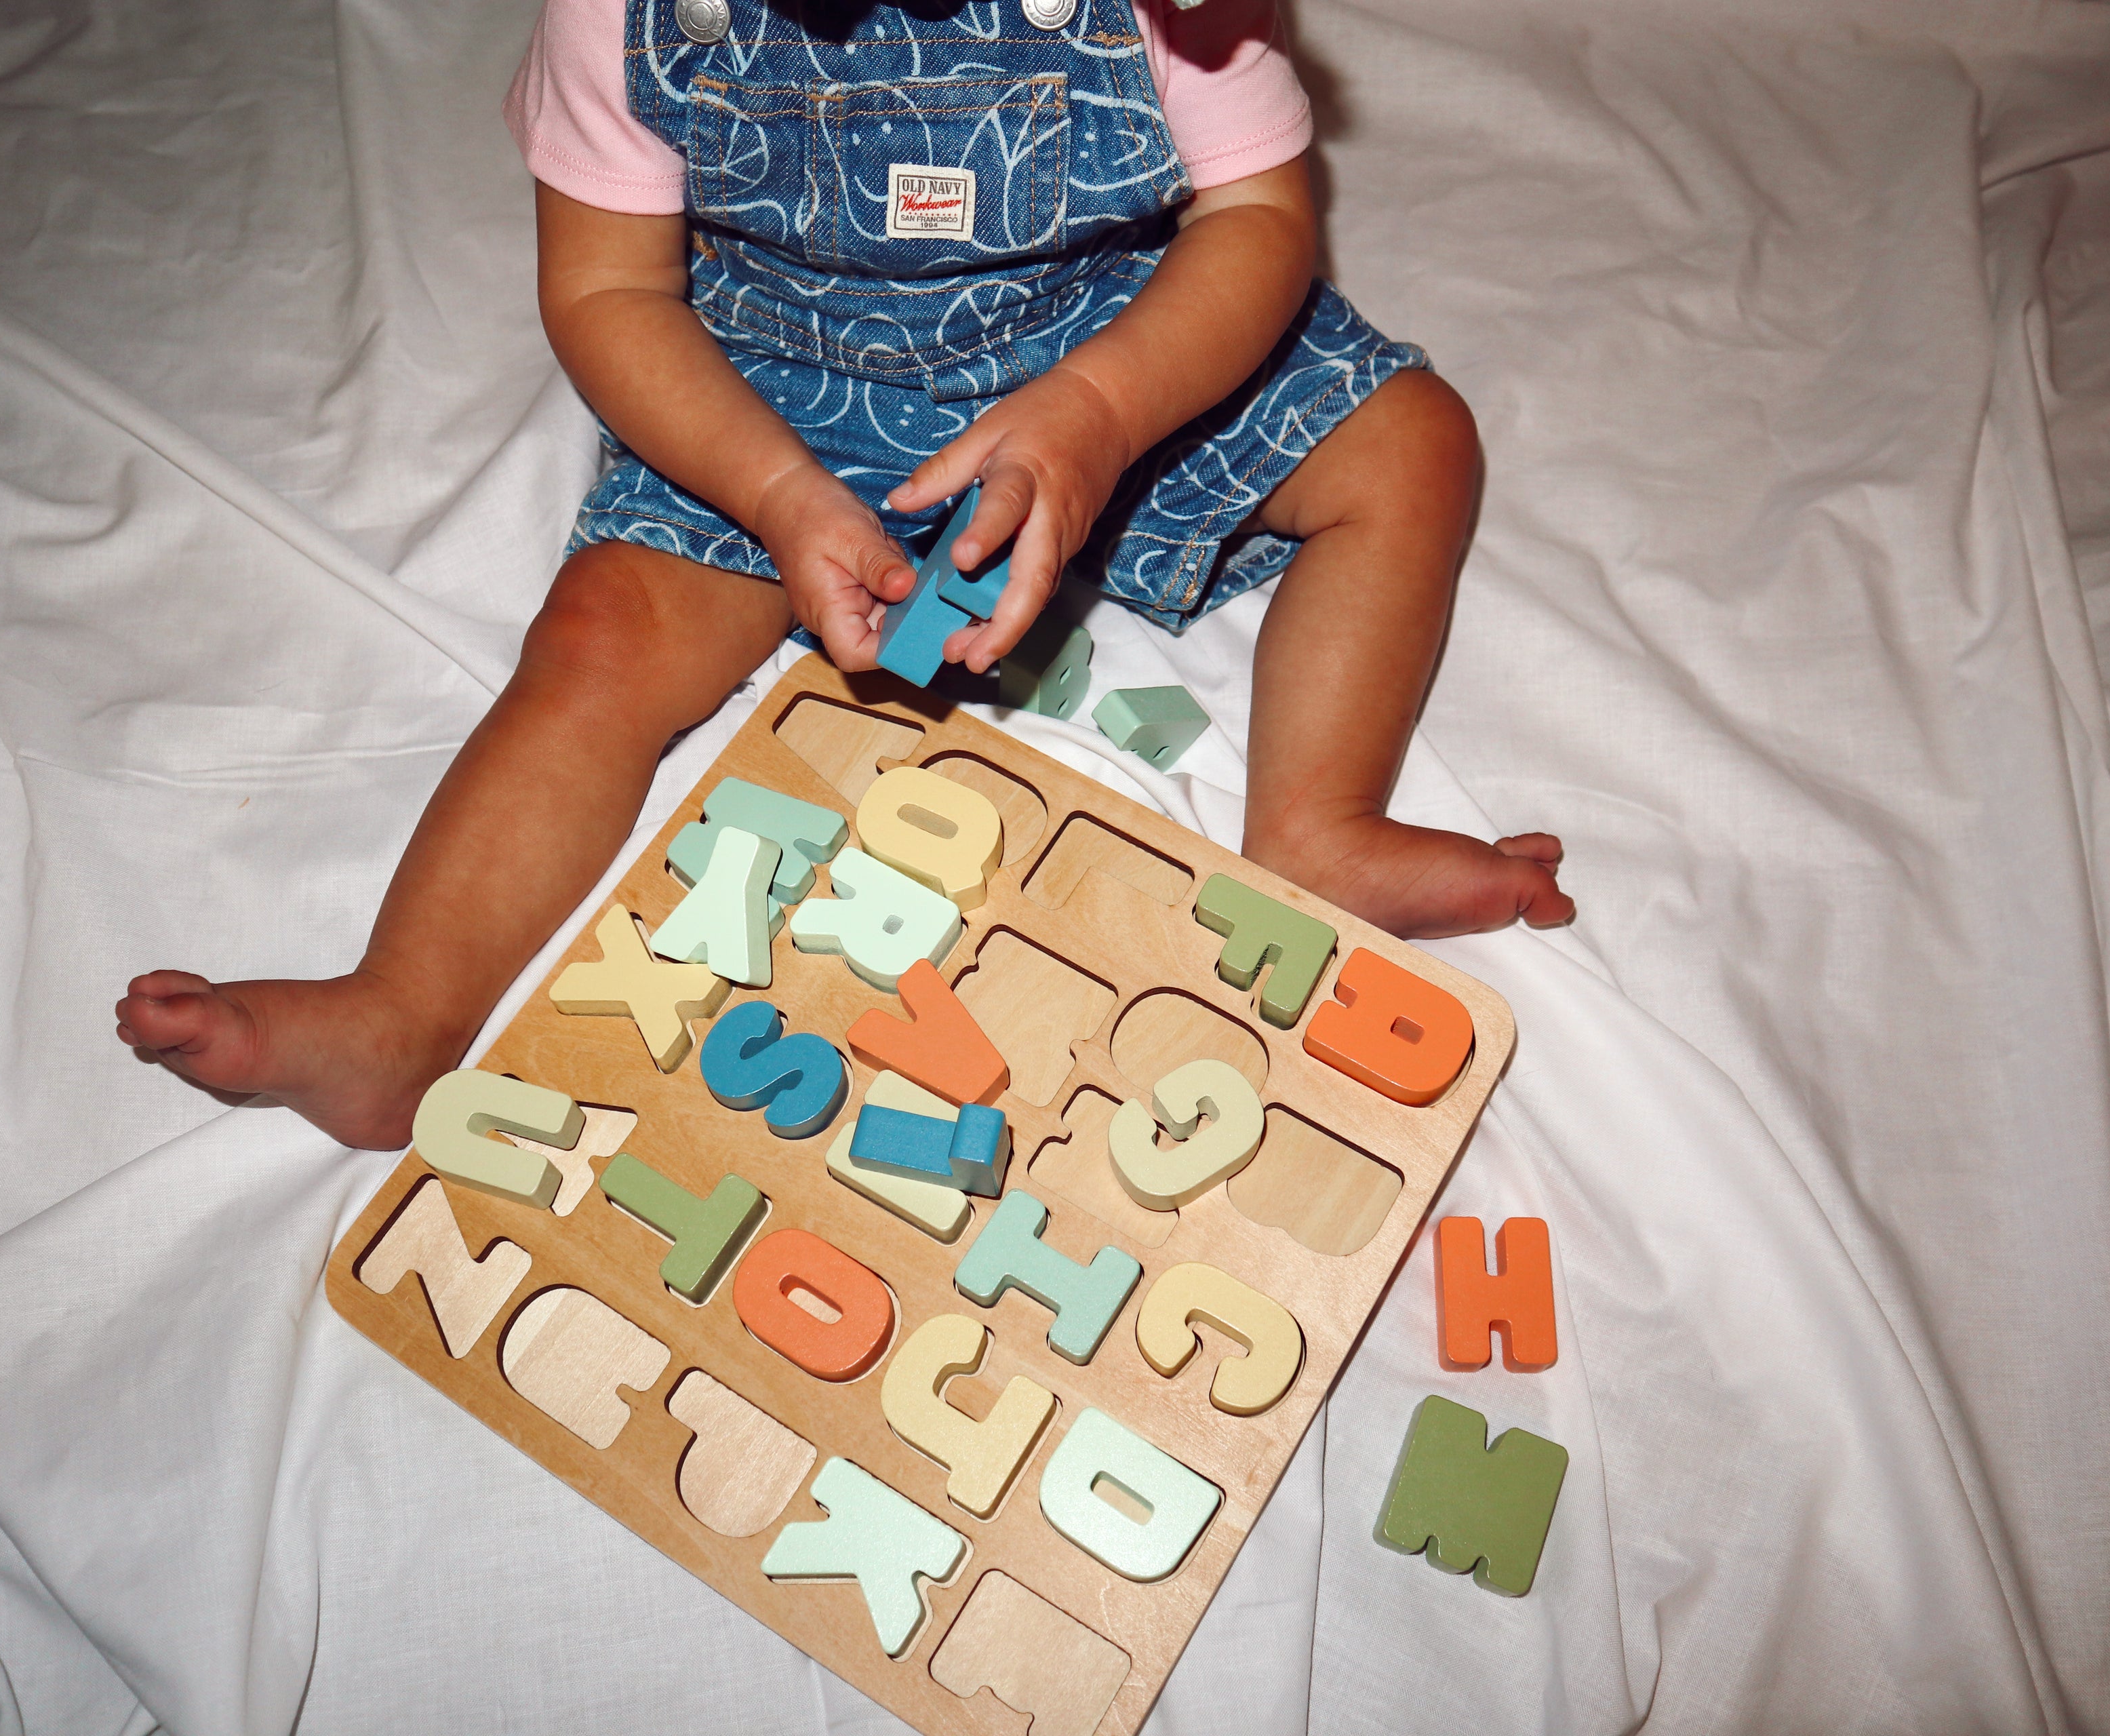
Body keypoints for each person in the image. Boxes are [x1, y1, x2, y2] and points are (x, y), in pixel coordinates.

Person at [116, 0, 1574, 1150]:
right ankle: (402, 1014)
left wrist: (1106, 414)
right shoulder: (622, 13)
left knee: (1410, 446)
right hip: (776, 388)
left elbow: (1256, 226)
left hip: (1113, 345)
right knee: (601, 636)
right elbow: (608, 291)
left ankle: (1317, 823)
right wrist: (772, 491)